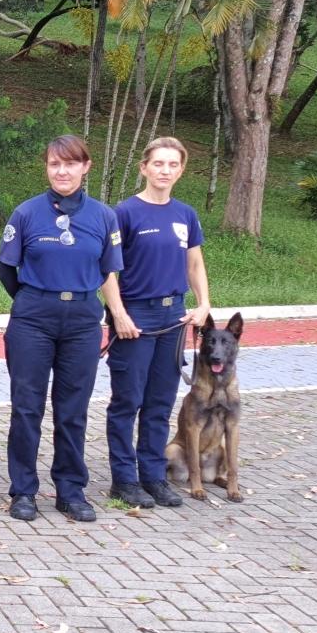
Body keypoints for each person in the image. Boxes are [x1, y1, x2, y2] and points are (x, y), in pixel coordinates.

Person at [0, 135, 128, 524]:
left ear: (85, 167)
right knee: (26, 408)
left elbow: (108, 269)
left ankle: (70, 490)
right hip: (33, 318)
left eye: (70, 164)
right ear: (47, 168)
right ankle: (23, 491)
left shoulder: (104, 217)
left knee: (72, 410)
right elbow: (7, 268)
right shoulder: (26, 213)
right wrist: (32, 300)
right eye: (55, 164)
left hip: (83, 319)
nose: (62, 171)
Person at [105, 136, 211, 509]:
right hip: (135, 316)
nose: (165, 170)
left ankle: (152, 475)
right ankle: (124, 479)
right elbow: (108, 269)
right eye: (158, 163)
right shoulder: (125, 212)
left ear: (180, 170)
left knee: (159, 401)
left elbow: (194, 263)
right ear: (144, 168)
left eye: (172, 165)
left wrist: (203, 305)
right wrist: (118, 314)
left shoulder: (185, 215)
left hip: (173, 316)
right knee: (127, 401)